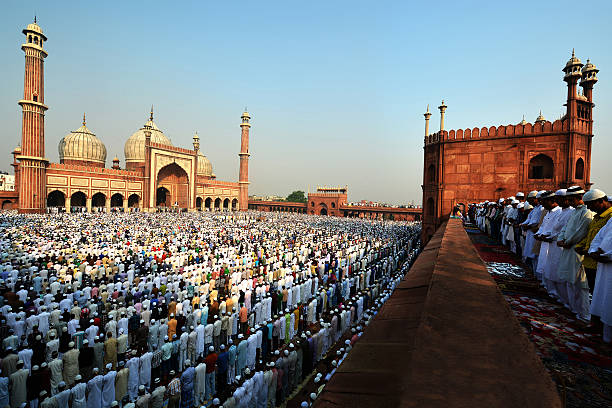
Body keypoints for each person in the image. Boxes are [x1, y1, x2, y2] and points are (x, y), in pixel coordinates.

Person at [556, 186, 593, 321]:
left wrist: (568, 242)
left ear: (579, 198)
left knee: (581, 285)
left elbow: (581, 231)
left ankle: (584, 315)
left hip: (578, 252)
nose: (570, 202)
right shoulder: (574, 212)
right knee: (570, 282)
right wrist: (561, 239)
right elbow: (566, 228)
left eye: (571, 200)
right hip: (568, 250)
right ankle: (574, 309)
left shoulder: (587, 212)